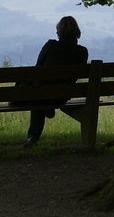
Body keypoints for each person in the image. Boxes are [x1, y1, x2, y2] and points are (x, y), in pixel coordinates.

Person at [23, 16, 89, 146]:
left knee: (39, 97)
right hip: (63, 96)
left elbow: (37, 69)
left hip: (42, 95)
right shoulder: (82, 52)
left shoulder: (51, 46)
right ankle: (49, 106)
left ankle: (33, 137)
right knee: (44, 95)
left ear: (59, 31)